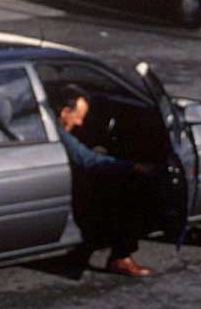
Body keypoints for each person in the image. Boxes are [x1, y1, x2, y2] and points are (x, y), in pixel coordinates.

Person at [52, 84, 156, 279]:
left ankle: (87, 246)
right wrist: (132, 166)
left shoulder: (47, 121)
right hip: (73, 186)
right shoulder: (60, 135)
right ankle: (121, 256)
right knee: (129, 192)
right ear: (65, 112)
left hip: (69, 181)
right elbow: (88, 160)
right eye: (78, 115)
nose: (81, 122)